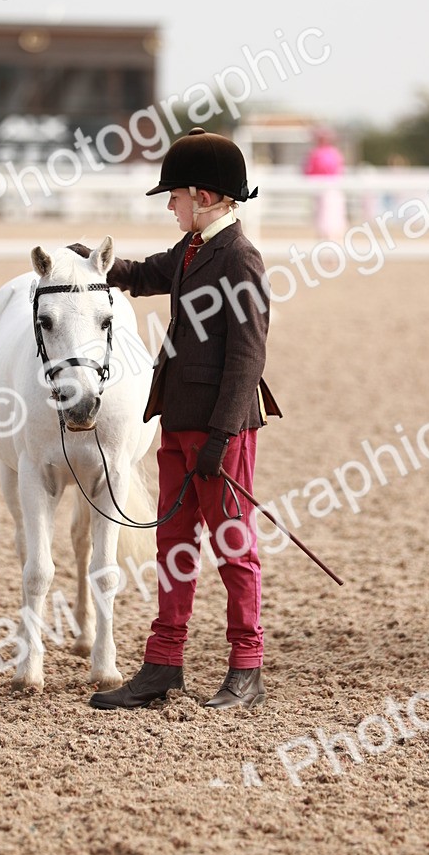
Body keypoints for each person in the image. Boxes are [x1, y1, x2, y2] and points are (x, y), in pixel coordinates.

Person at [71, 126, 280, 711]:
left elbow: (248, 356)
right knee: (173, 545)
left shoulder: (239, 258)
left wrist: (221, 435)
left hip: (221, 429)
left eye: (176, 195)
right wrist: (89, 261)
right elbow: (143, 276)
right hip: (176, 422)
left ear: (205, 197)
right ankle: (164, 663)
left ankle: (247, 667)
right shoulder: (191, 250)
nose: (169, 204)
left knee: (233, 548)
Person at [304, 127, 346, 242]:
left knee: (327, 220)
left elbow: (308, 171)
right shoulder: (333, 153)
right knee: (327, 220)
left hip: (326, 191)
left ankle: (328, 245)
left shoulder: (318, 154)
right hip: (327, 191)